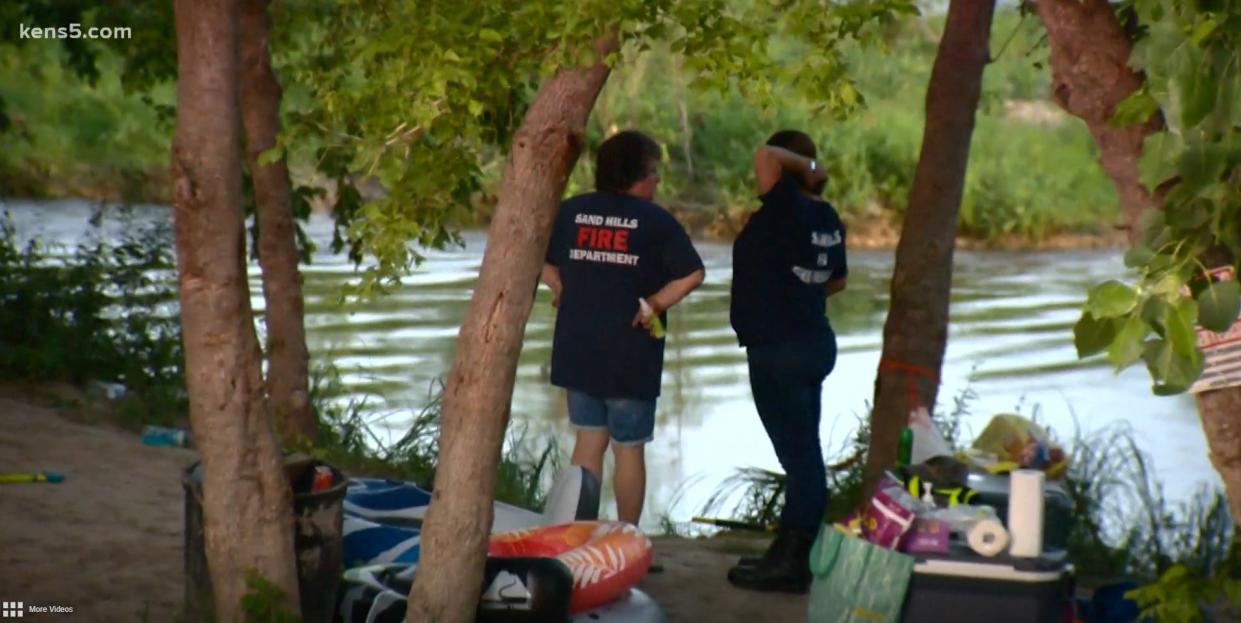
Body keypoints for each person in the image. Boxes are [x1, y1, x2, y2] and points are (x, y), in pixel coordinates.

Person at [541, 130, 705, 526]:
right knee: (628, 449)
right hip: (632, 351)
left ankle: (576, 537)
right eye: (655, 173)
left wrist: (559, 286)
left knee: (588, 442)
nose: (658, 182)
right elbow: (693, 273)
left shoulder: (571, 211)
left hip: (577, 347)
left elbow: (537, 258)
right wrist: (656, 304)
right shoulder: (656, 220)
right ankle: (626, 540)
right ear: (640, 175)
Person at [726, 130, 848, 593]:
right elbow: (836, 280)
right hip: (811, 343)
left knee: (800, 458)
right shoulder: (823, 214)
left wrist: (805, 167)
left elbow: (765, 153)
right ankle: (790, 550)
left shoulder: (785, 206)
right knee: (802, 453)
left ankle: (794, 562)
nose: (762, 170)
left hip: (779, 350)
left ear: (784, 169)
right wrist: (798, 290)